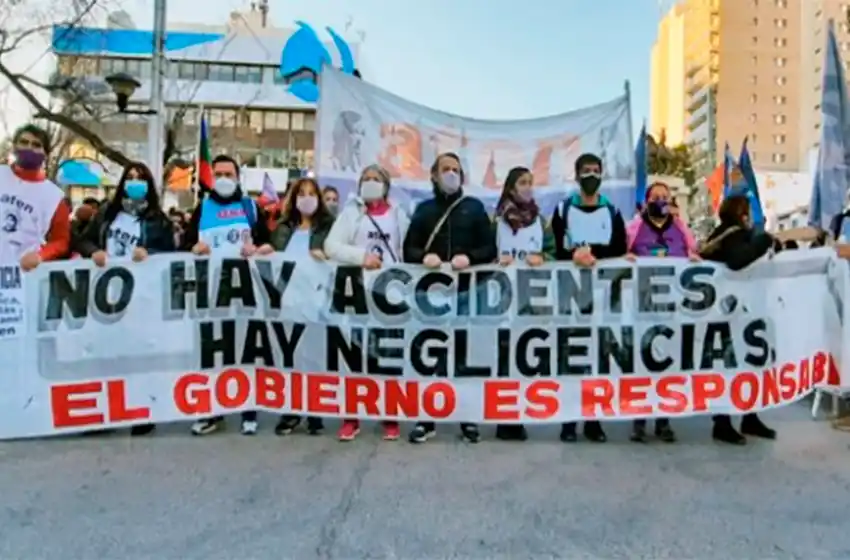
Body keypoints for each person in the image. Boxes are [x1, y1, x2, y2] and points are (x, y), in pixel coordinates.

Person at [402, 152, 497, 444]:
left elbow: (489, 249)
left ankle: (467, 418)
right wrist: (423, 257)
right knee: (431, 356)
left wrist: (469, 258)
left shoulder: (474, 208)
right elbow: (409, 249)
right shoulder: (424, 210)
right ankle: (426, 419)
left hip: (467, 293)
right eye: (446, 169)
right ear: (434, 175)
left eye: (456, 169)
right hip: (431, 294)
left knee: (463, 357)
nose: (451, 174)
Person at [184, 154, 274, 436]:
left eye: (229, 174)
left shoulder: (250, 207)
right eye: (219, 174)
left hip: (245, 289)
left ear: (238, 177)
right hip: (211, 291)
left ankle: (249, 411)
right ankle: (213, 412)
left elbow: (267, 242)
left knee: (246, 350)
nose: (224, 179)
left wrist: (259, 249)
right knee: (213, 352)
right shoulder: (203, 208)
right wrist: (194, 248)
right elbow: (186, 242)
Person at [324, 164, 409, 441]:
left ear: (386, 185)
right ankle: (352, 417)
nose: (370, 183)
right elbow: (331, 246)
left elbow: (406, 251)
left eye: (376, 179)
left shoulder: (399, 215)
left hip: (390, 295)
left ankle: (389, 416)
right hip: (356, 293)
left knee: (388, 357)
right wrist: (362, 257)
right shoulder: (351, 214)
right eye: (366, 179)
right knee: (355, 357)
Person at [550, 152, 627, 443]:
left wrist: (593, 254)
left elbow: (619, 247)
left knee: (599, 358)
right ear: (577, 174)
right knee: (571, 357)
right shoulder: (563, 208)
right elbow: (555, 247)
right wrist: (573, 255)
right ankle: (569, 420)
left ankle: (594, 420)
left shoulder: (613, 211)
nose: (591, 175)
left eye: (596, 170)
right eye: (586, 170)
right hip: (571, 293)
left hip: (604, 293)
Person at [624, 181, 700, 443]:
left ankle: (664, 421)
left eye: (665, 197)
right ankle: (639, 420)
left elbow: (694, 250)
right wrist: (626, 258)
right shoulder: (635, 228)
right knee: (642, 365)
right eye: (655, 197)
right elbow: (620, 254)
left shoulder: (679, 229)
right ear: (646, 201)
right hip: (643, 308)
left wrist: (692, 258)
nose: (660, 201)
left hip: (672, 309)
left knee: (667, 365)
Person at [700, 193, 779, 444]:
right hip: (732, 314)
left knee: (743, 366)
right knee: (733, 366)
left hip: (729, 313)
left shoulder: (718, 235)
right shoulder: (733, 235)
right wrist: (764, 240)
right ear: (742, 213)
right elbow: (737, 261)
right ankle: (724, 423)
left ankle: (747, 417)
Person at [269, 176, 335, 437]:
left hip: (316, 302)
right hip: (288, 302)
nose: (306, 199)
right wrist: (265, 251)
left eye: (311, 193)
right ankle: (292, 410)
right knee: (291, 358)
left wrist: (326, 255)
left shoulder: (328, 228)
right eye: (301, 194)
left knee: (314, 358)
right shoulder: (284, 228)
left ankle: (315, 413)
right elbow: (274, 255)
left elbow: (337, 254)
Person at [493, 166, 553, 441]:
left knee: (524, 359)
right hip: (501, 300)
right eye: (522, 182)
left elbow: (554, 251)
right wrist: (495, 262)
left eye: (531, 182)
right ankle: (503, 416)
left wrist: (545, 258)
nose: (528, 187)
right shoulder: (496, 221)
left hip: (532, 300)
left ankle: (519, 413)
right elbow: (483, 251)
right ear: (511, 187)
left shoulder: (541, 221)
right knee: (502, 361)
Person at [75, 163, 175, 267]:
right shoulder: (107, 211)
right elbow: (84, 241)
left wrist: (148, 253)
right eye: (130, 178)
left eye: (140, 178)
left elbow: (169, 252)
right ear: (123, 183)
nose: (135, 182)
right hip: (105, 275)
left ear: (148, 184)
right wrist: (94, 252)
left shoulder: (158, 220)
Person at [0, 124, 70, 270]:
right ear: (14, 146)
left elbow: (61, 241)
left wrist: (41, 255)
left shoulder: (54, 197)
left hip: (21, 276)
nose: (29, 148)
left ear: (46, 153)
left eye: (36, 145)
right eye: (24, 142)